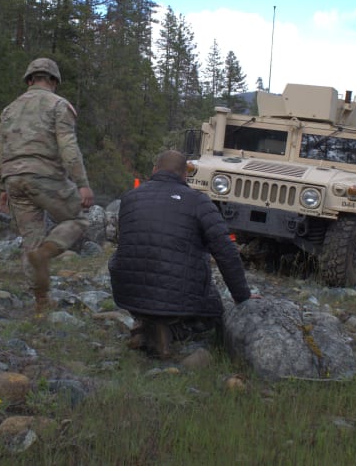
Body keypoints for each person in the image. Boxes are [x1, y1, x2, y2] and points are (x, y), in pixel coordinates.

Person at [108, 150, 258, 359]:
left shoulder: (130, 197)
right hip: (177, 295)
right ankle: (170, 331)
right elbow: (226, 251)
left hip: (127, 294)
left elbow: (125, 241)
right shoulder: (199, 202)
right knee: (214, 312)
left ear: (154, 170)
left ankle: (146, 324)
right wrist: (242, 296)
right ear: (184, 175)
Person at [0, 57, 94, 312]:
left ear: (29, 79)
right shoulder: (58, 105)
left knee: (31, 241)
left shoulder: (9, 109)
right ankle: (46, 254)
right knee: (80, 218)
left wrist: (2, 187)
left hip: (13, 178)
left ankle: (41, 301)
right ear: (53, 80)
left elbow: (0, 148)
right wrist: (82, 183)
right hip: (44, 175)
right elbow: (68, 147)